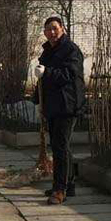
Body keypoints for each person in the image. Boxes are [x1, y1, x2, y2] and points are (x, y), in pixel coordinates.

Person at [35, 17, 85, 205]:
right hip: (52, 105)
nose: (52, 32)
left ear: (62, 29)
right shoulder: (48, 50)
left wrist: (47, 72)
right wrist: (37, 101)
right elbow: (43, 80)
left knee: (60, 147)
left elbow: (69, 75)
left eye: (55, 28)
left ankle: (59, 190)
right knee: (61, 146)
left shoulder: (71, 50)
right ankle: (68, 185)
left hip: (67, 105)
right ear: (44, 32)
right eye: (48, 29)